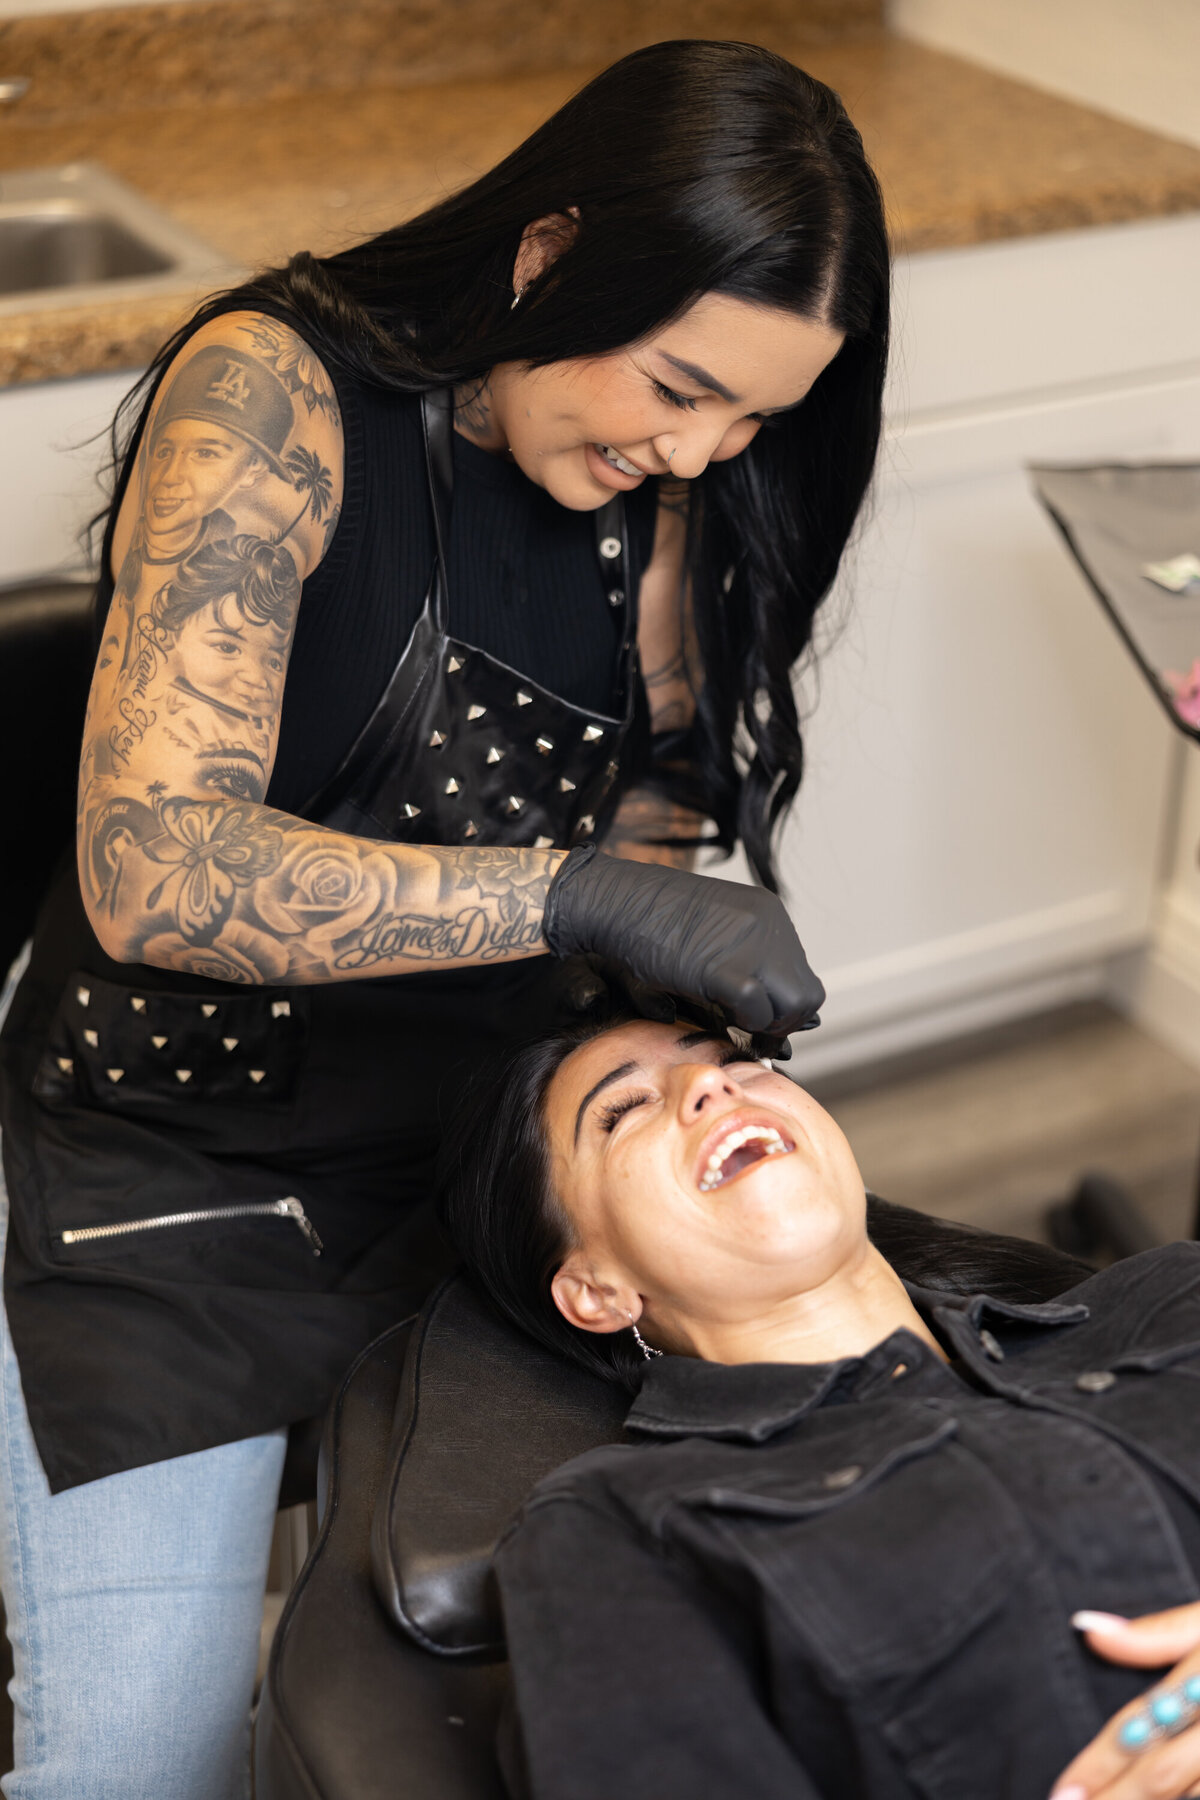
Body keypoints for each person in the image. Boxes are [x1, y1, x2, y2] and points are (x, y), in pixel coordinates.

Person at [0, 38, 887, 1797]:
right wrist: (574, 892)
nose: (701, 450)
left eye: (756, 419)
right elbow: (153, 868)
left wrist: (664, 965)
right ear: (552, 259)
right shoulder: (275, 394)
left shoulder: (662, 489)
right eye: (680, 383)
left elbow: (639, 794)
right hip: (161, 1171)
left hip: (461, 1140)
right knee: (137, 1766)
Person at [439, 1012, 1200, 1800]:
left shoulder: (1174, 1293)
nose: (711, 1083)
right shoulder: (623, 1526)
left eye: (738, 1063)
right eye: (623, 1111)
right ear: (596, 1291)